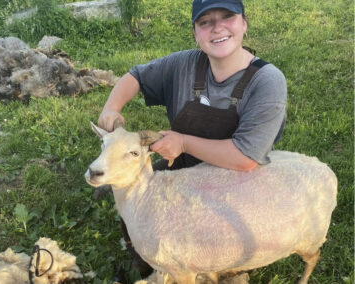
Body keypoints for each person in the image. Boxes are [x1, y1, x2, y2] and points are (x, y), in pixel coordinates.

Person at [98, 0, 287, 282]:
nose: (217, 28)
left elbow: (246, 158)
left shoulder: (267, 81)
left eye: (227, 17)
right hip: (184, 168)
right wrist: (111, 108)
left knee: (214, 240)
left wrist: (183, 142)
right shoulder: (185, 64)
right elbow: (136, 76)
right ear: (195, 32)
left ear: (244, 24)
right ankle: (146, 259)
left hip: (238, 181)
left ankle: (224, 264)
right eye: (205, 22)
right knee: (135, 203)